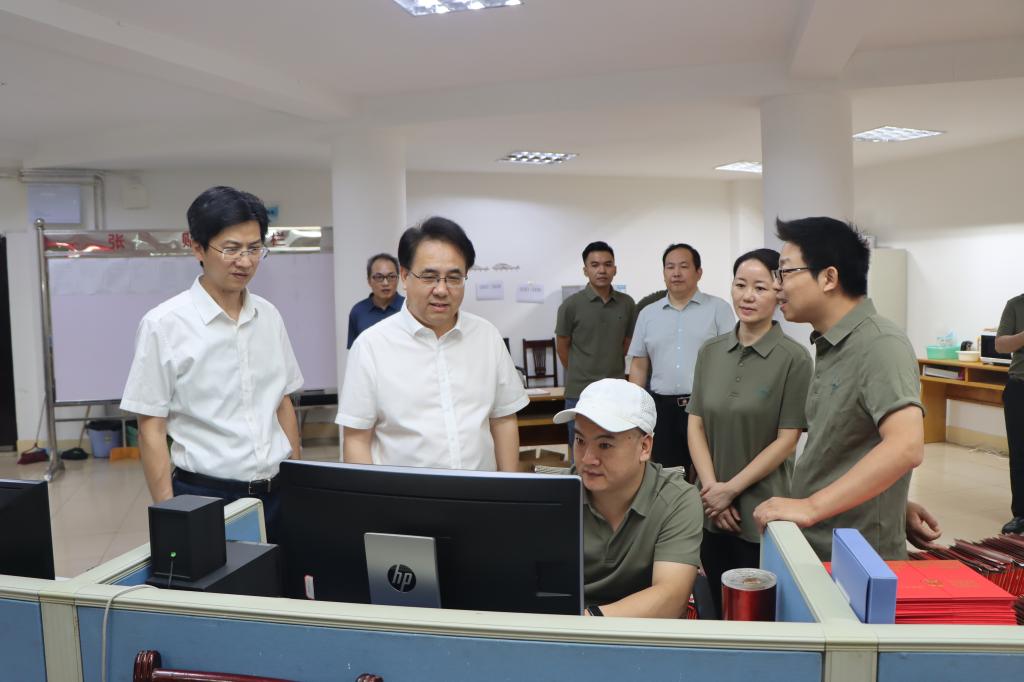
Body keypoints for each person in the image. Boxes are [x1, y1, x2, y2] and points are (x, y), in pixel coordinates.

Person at [121, 186, 303, 540]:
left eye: (254, 248)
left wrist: (296, 481)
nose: (245, 261)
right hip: (205, 495)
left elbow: (282, 403)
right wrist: (171, 515)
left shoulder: (269, 316)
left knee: (283, 576)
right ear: (198, 248)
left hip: (278, 493)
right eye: (231, 249)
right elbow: (151, 427)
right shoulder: (164, 324)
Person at [753, 217, 925, 561]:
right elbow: (849, 447)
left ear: (829, 278)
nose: (776, 286)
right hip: (823, 542)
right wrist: (895, 502)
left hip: (857, 558)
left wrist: (811, 506)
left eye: (785, 272)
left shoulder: (879, 343)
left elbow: (905, 446)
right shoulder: (832, 344)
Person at [337, 217, 528, 472]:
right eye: (429, 277)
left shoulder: (487, 337)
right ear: (405, 276)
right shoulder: (371, 346)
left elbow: (503, 419)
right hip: (404, 496)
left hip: (481, 493)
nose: (441, 290)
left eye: (454, 278)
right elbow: (357, 440)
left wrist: (508, 487)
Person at [686, 248, 812, 616]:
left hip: (760, 511)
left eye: (760, 287)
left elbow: (787, 439)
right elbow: (695, 423)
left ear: (779, 292)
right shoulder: (710, 351)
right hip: (710, 507)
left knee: (758, 614)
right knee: (713, 603)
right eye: (740, 285)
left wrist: (731, 490)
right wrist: (713, 490)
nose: (748, 296)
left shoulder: (794, 358)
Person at [552, 378, 703, 618]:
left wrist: (586, 621)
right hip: (563, 626)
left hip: (640, 631)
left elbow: (671, 598)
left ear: (644, 447)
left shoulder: (677, 500)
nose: (587, 458)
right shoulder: (553, 495)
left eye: (604, 445)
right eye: (580, 441)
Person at [628, 243, 733, 473]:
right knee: (669, 475)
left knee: (710, 473)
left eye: (684, 266)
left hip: (706, 407)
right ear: (663, 272)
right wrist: (635, 409)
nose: (676, 273)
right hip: (662, 409)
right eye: (670, 267)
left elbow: (732, 359)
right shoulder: (648, 314)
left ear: (698, 272)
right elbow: (639, 366)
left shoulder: (719, 309)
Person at [556, 242, 636, 456]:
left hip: (615, 391)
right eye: (595, 265)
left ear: (615, 269)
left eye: (608, 264)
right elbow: (562, 347)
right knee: (581, 454)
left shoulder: (627, 304)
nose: (602, 270)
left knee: (614, 452)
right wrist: (579, 370)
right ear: (585, 270)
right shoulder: (571, 305)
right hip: (579, 393)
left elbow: (626, 343)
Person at [995, 293, 1024, 534]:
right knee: (1020, 453)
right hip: (1019, 386)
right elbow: (1000, 345)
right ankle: (1021, 514)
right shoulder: (1015, 305)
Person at [347, 253, 404, 348]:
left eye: (391, 277)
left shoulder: (410, 308)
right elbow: (355, 351)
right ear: (369, 281)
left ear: (398, 279)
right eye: (379, 277)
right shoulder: (358, 311)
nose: (385, 283)